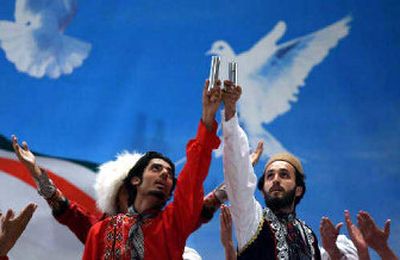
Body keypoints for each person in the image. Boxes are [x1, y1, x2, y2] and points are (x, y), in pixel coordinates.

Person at [82, 79, 222, 259]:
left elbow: (192, 177)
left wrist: (208, 120)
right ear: (135, 179)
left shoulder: (173, 223)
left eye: (170, 174)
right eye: (156, 168)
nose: (164, 173)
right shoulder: (100, 231)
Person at [222, 80, 320, 259]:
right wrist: (230, 113)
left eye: (284, 175)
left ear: (298, 189)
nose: (275, 179)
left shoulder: (310, 237)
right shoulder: (252, 220)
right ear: (261, 188)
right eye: (269, 176)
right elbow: (237, 177)